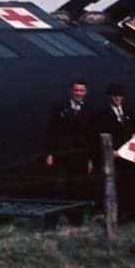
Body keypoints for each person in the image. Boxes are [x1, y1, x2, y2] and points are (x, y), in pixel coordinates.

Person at [95, 83, 135, 219]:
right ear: (110, 97)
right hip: (114, 156)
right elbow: (99, 135)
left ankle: (134, 212)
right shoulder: (102, 115)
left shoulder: (128, 113)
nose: (117, 98)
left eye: (120, 95)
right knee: (118, 185)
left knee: (133, 183)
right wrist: (111, 152)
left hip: (130, 156)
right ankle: (118, 214)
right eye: (115, 95)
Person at [44, 80, 94, 208]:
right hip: (62, 154)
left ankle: (76, 216)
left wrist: (90, 159)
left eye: (81, 91)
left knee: (79, 186)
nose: (79, 93)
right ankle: (57, 215)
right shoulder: (59, 107)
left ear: (86, 92)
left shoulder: (89, 110)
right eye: (76, 90)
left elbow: (91, 135)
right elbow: (51, 131)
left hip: (81, 155)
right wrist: (49, 153)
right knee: (59, 186)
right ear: (71, 91)